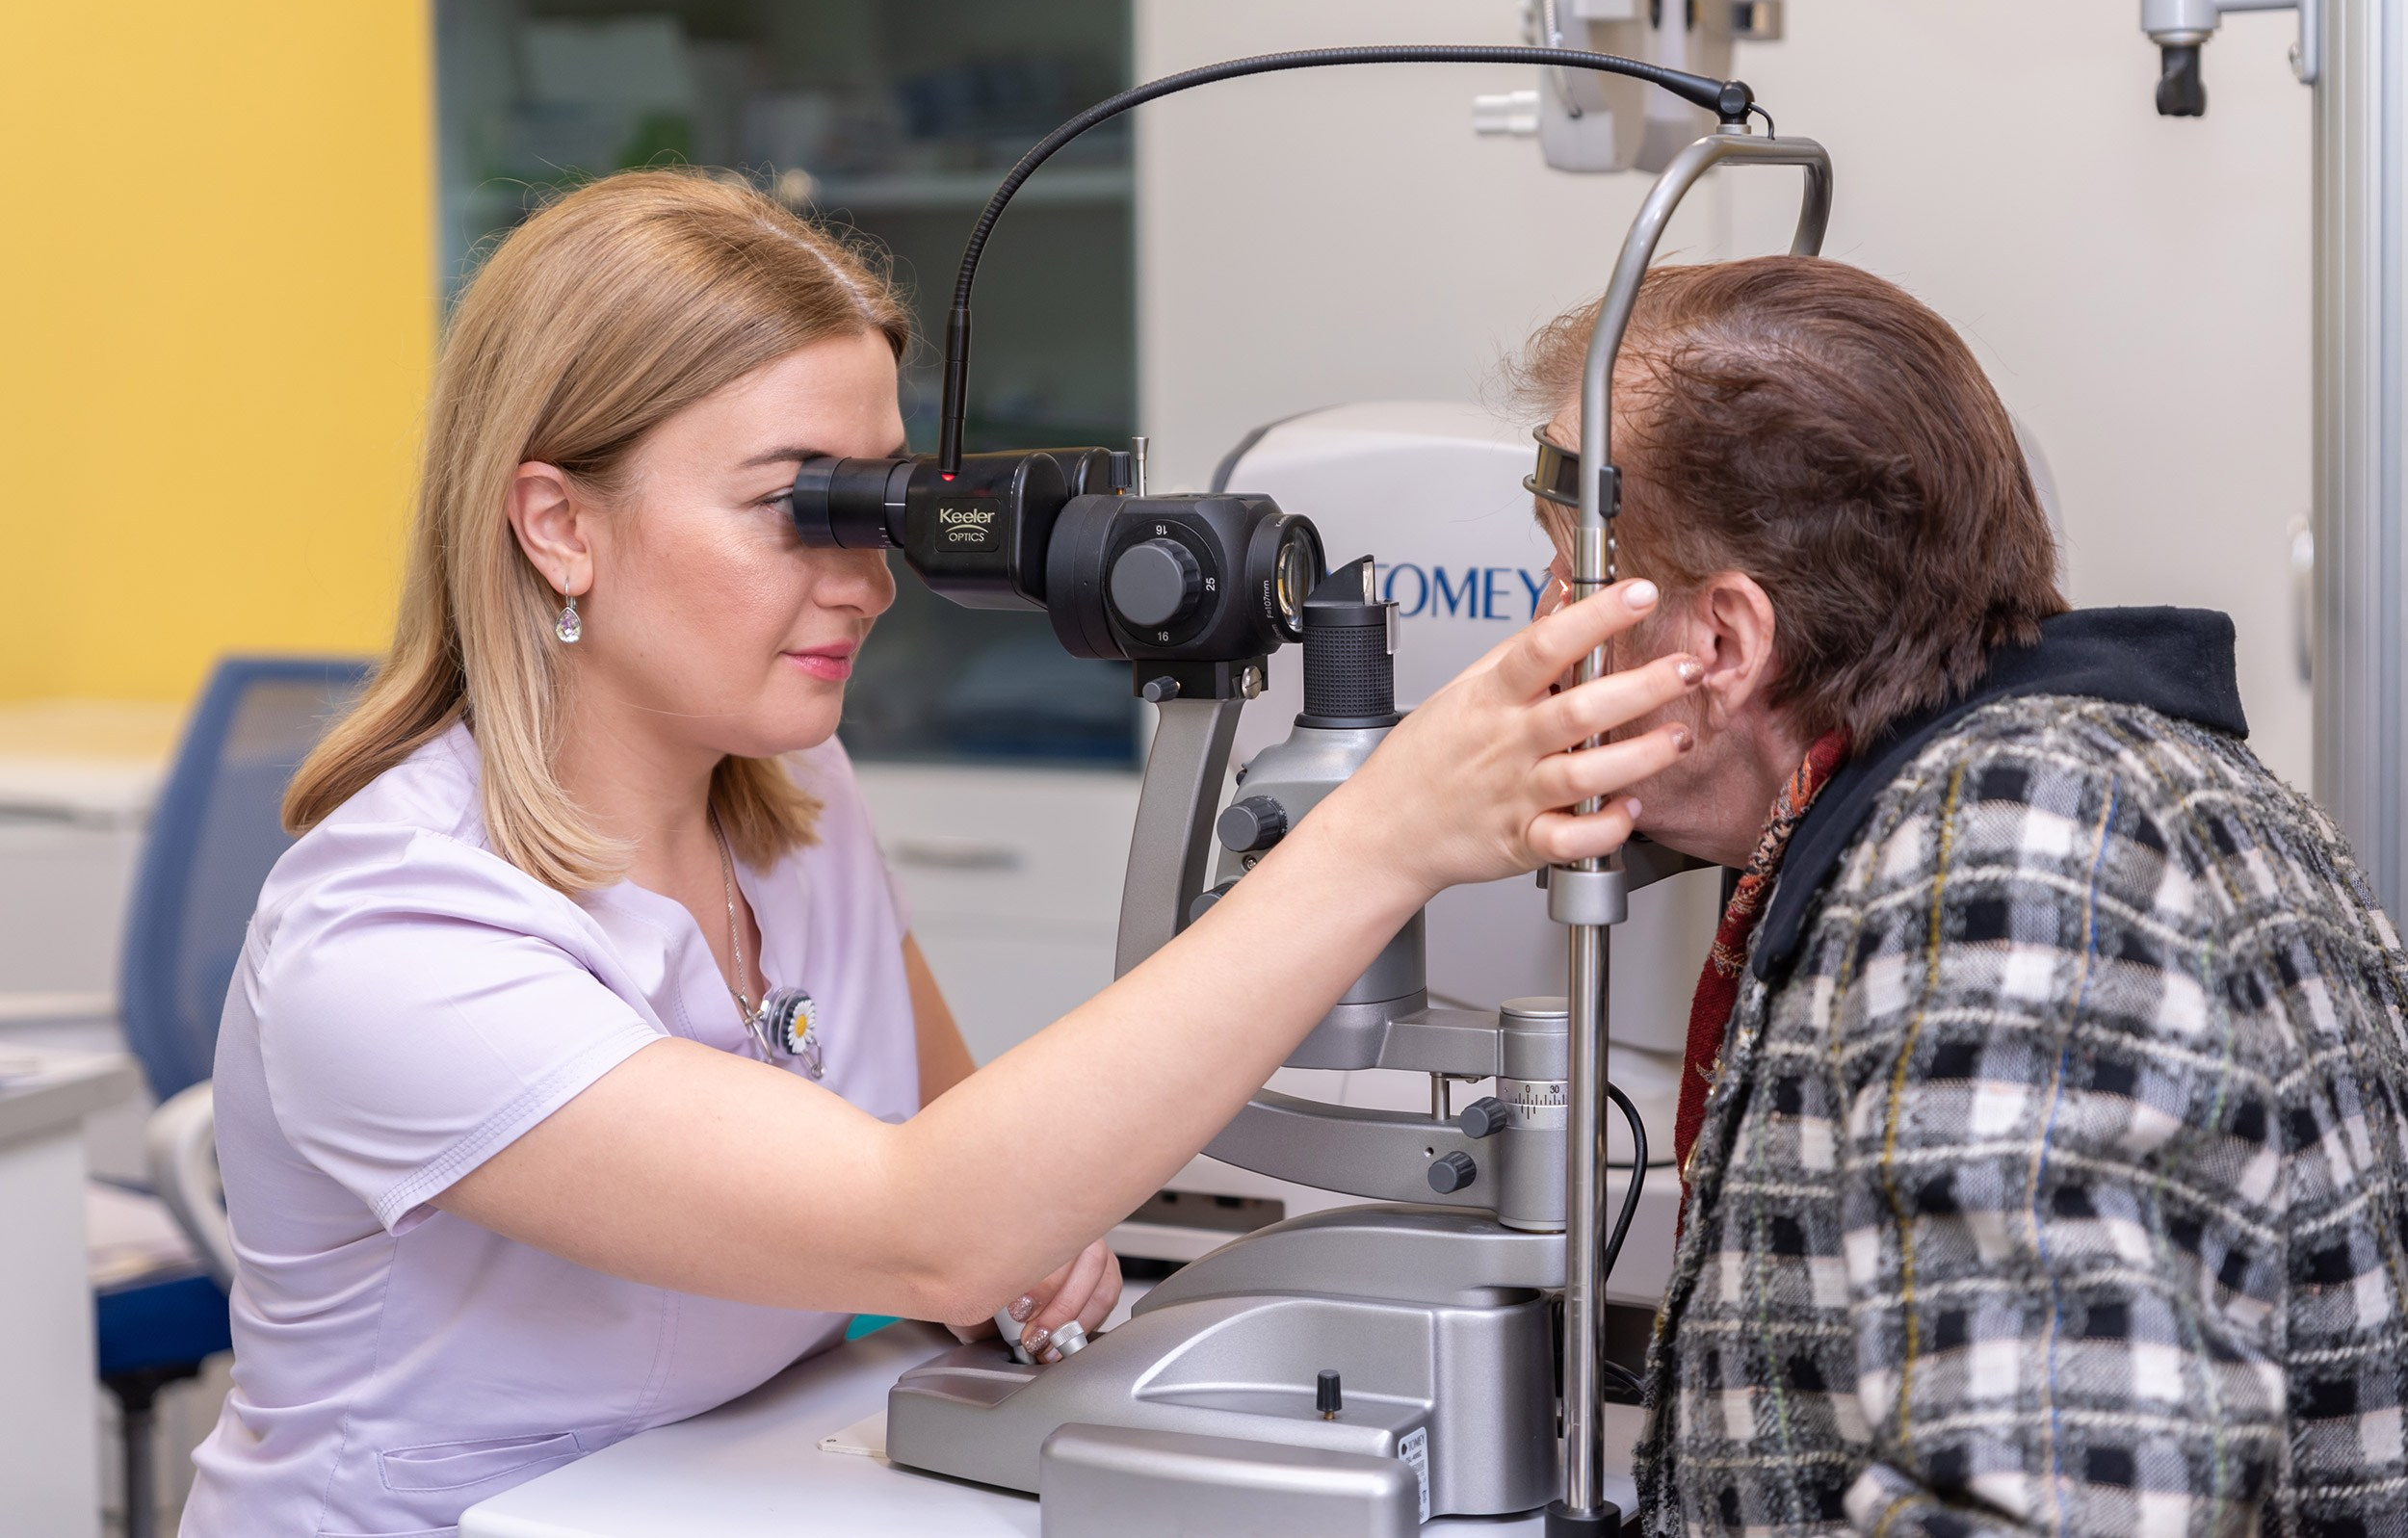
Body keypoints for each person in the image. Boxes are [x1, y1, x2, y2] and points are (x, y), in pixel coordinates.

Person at [179, 169, 1700, 1536]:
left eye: (883, 505)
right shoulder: (392, 939)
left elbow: (980, 1182)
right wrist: (1381, 838)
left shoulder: (793, 793)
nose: (866, 581)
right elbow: (924, 1219)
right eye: (800, 507)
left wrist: (1026, 1257)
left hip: (731, 1488)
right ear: (557, 526)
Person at [1511, 254, 2408, 1535]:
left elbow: (2054, 1505)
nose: (1537, 639)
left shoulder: (2024, 846)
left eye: (1567, 582)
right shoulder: (2092, 788)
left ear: (1721, 644)